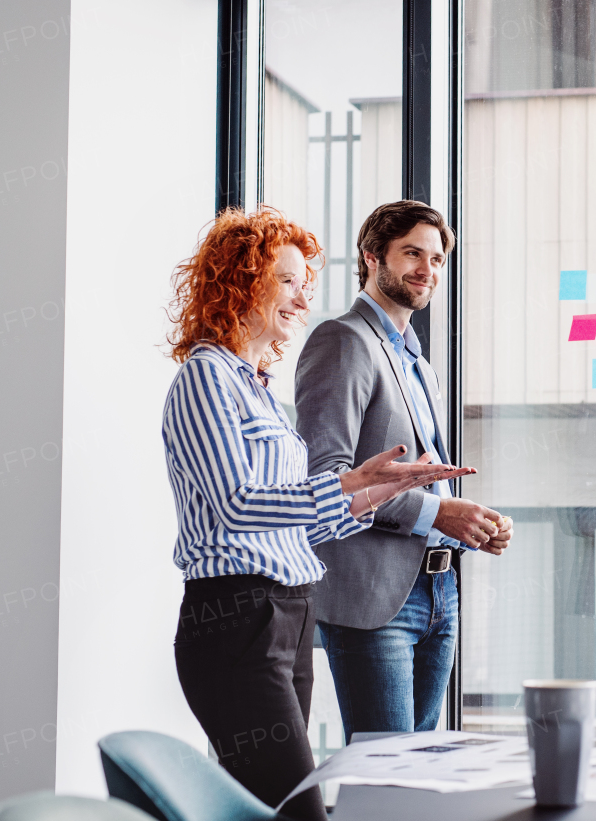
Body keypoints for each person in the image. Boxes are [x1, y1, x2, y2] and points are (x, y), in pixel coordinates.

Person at [162, 207, 473, 821]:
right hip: (236, 612)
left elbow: (302, 518)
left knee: (276, 806)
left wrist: (376, 493)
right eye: (286, 280)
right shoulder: (205, 378)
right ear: (239, 283)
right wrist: (349, 483)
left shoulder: (258, 389)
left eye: (303, 280)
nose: (303, 294)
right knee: (296, 808)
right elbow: (236, 505)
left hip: (288, 608)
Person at [294, 200, 512, 740]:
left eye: (437, 259)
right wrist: (440, 513)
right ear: (373, 257)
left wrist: (474, 523)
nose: (427, 270)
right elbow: (328, 477)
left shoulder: (418, 362)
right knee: (387, 777)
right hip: (375, 600)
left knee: (420, 779)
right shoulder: (342, 340)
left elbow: (420, 474)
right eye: (412, 253)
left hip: (440, 589)